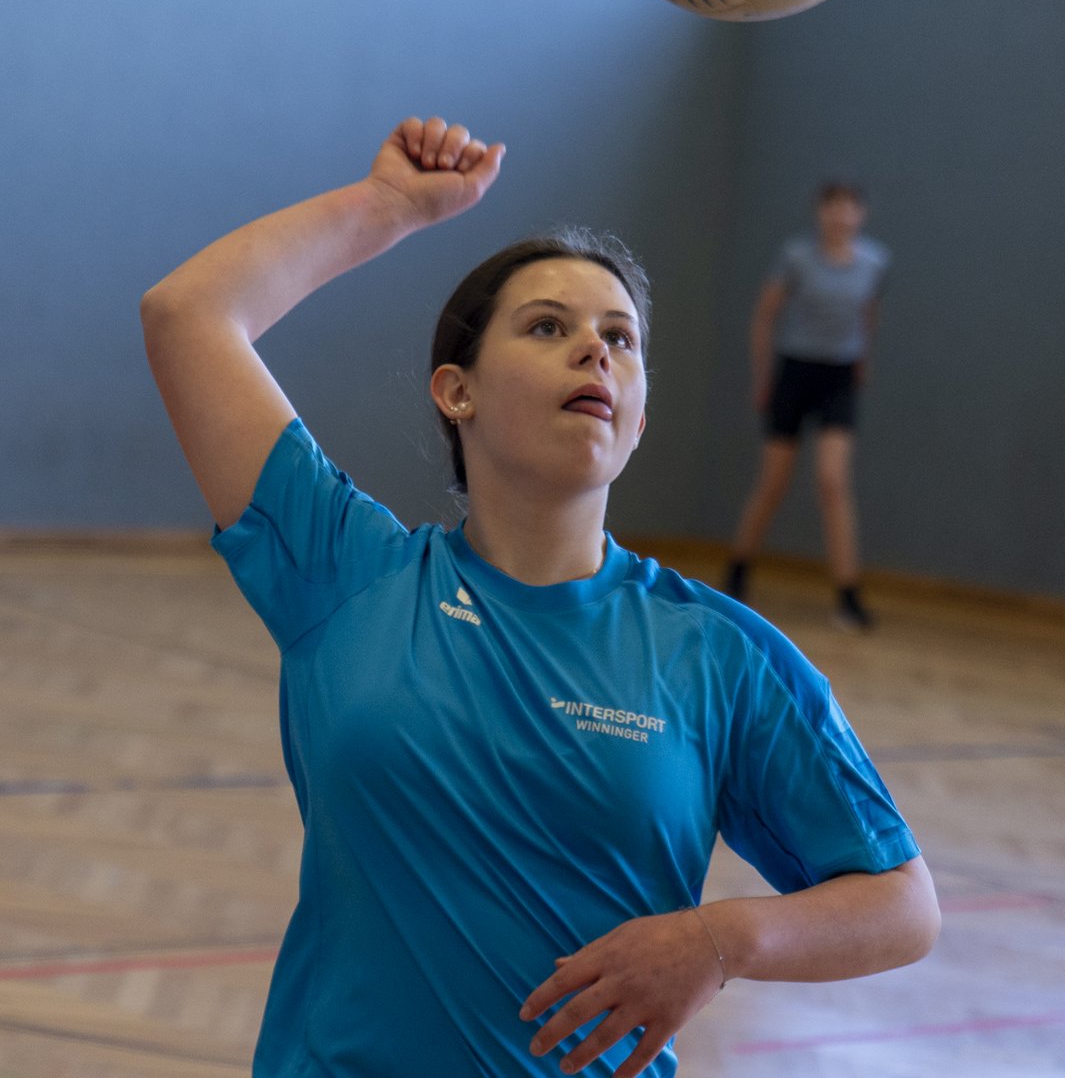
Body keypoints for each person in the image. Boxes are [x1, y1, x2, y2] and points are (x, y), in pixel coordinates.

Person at [141, 119, 937, 1078]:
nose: (594, 351)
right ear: (456, 391)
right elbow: (187, 313)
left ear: (637, 419)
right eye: (548, 327)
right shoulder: (344, 573)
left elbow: (902, 904)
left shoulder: (720, 652)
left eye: (620, 339)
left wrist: (721, 941)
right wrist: (387, 207)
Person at [724, 182, 889, 630]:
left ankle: (848, 594)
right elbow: (765, 315)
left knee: (833, 481)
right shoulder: (796, 258)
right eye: (832, 207)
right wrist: (763, 377)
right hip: (795, 374)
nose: (840, 216)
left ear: (860, 214)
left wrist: (863, 359)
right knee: (773, 480)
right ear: (820, 213)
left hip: (839, 378)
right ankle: (738, 570)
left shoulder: (874, 262)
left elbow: (868, 315)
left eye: (849, 208)